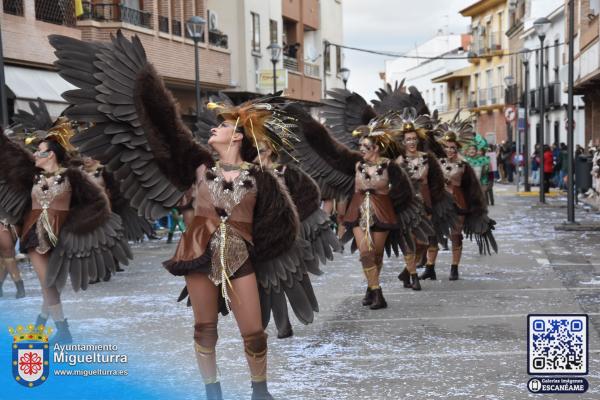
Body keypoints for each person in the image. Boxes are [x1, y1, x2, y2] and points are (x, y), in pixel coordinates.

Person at [50, 31, 323, 399]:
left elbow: (282, 225)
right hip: (196, 255)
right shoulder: (196, 170)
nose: (215, 127)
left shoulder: (261, 178)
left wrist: (267, 252)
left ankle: (260, 390)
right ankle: (212, 391)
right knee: (204, 327)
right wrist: (142, 80)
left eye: (224, 125)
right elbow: (154, 127)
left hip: (241, 258)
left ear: (239, 137)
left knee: (254, 332)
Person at [0, 127, 132, 344]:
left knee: (53, 284)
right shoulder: (30, 176)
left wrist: (78, 228)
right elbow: (6, 155)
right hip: (34, 234)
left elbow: (98, 203)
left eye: (39, 151)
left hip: (62, 235)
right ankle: (63, 331)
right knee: (49, 283)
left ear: (50, 154)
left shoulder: (73, 177)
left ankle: (41, 322)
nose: (34, 154)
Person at [432, 117, 498, 280]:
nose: (450, 150)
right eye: (447, 147)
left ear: (457, 148)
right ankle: (429, 267)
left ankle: (454, 268)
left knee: (455, 235)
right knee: (432, 235)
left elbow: (472, 188)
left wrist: (477, 209)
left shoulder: (464, 165)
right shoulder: (436, 163)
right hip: (439, 204)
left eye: (453, 148)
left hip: (457, 203)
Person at [0, 220, 25, 298]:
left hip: (12, 214)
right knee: (7, 251)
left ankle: (19, 287)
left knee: (7, 251)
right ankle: (20, 287)